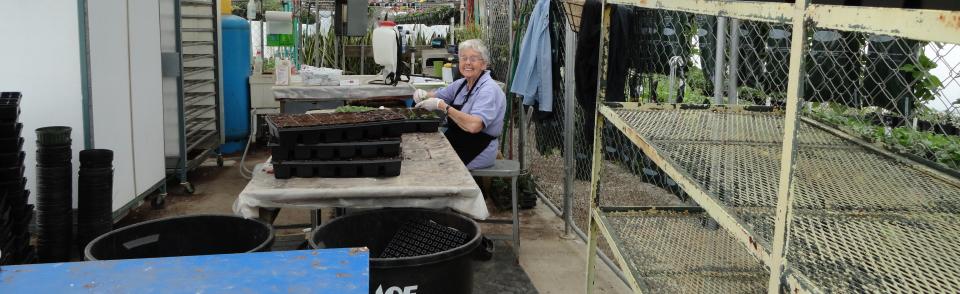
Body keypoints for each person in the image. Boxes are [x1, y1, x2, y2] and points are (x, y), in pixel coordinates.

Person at [413, 39, 506, 170]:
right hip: (458, 141)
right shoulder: (461, 84)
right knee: (420, 154)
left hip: (478, 149)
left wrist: (443, 106)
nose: (467, 62)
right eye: (464, 58)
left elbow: (474, 126)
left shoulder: (488, 90)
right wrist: (422, 94)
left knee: (431, 165)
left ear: (484, 64)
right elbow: (437, 96)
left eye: (473, 59)